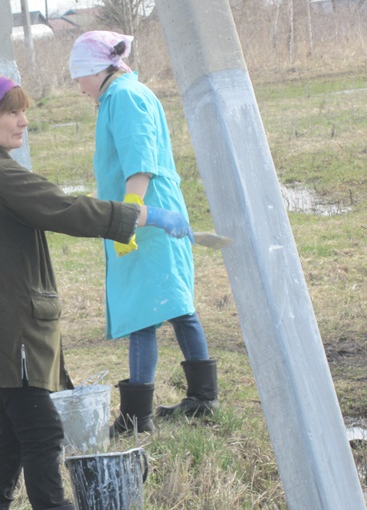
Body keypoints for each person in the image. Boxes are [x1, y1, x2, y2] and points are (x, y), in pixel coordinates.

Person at [0, 74, 193, 510]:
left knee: (13, 436)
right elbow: (69, 209)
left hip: (3, 325)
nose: (23, 120)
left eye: (23, 109)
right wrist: (142, 214)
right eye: (11, 112)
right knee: (41, 434)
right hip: (9, 329)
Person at [68, 31, 220, 437]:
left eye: (78, 76)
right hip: (150, 211)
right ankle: (203, 399)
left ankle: (138, 418)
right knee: (174, 302)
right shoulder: (124, 93)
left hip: (147, 215)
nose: (79, 86)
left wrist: (134, 213)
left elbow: (140, 161)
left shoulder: (123, 97)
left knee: (145, 312)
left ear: (97, 70)